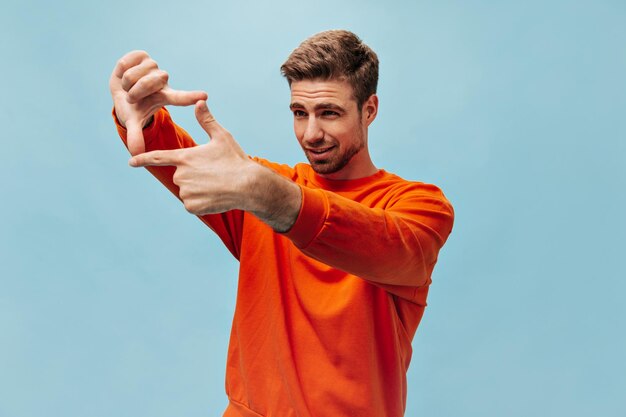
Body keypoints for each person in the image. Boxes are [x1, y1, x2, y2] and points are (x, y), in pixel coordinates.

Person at [109, 29, 454, 417]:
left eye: (329, 113)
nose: (311, 134)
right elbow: (186, 161)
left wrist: (268, 196)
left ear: (369, 109)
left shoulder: (419, 205)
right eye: (299, 113)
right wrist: (143, 116)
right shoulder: (255, 187)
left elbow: (391, 247)